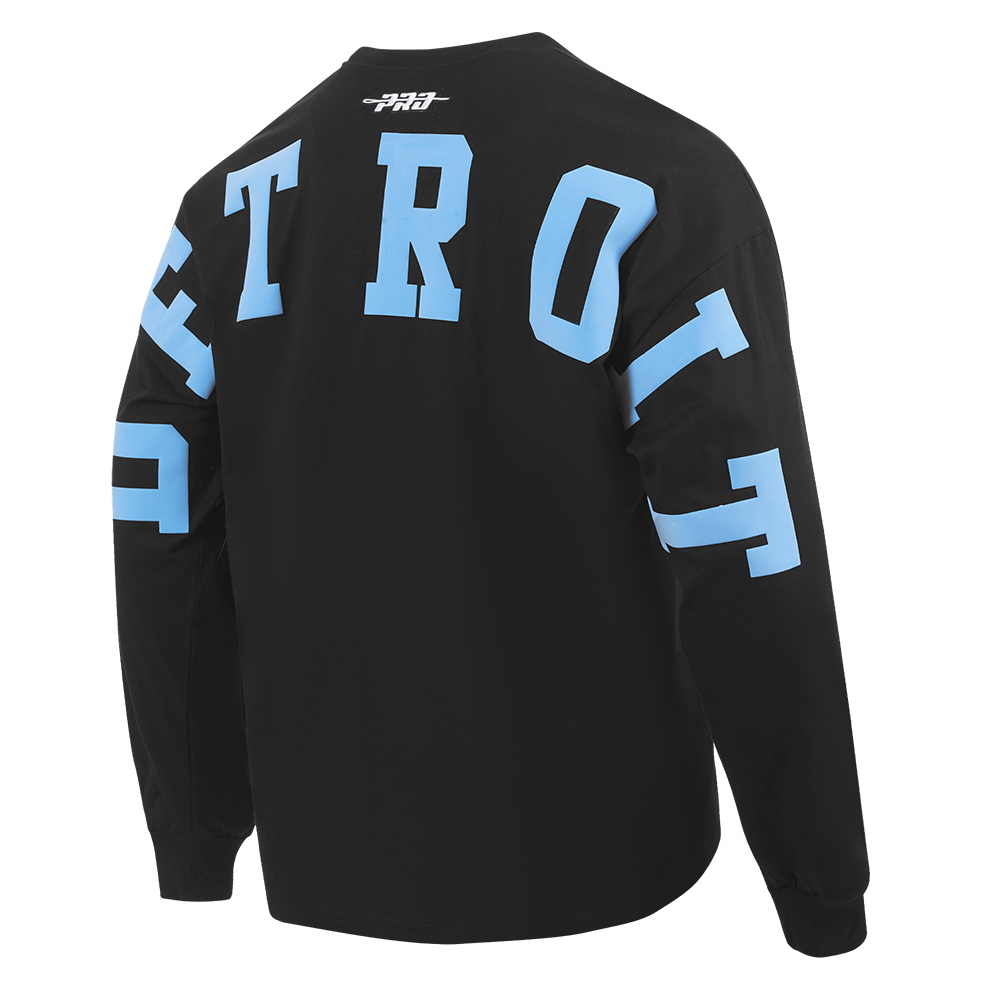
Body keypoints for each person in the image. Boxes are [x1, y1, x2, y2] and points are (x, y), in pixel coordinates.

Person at [112, 32, 869, 957]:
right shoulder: (660, 181)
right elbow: (747, 549)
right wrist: (822, 888)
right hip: (605, 888)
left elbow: (157, 519)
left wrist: (196, 838)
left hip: (314, 881)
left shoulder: (227, 208)